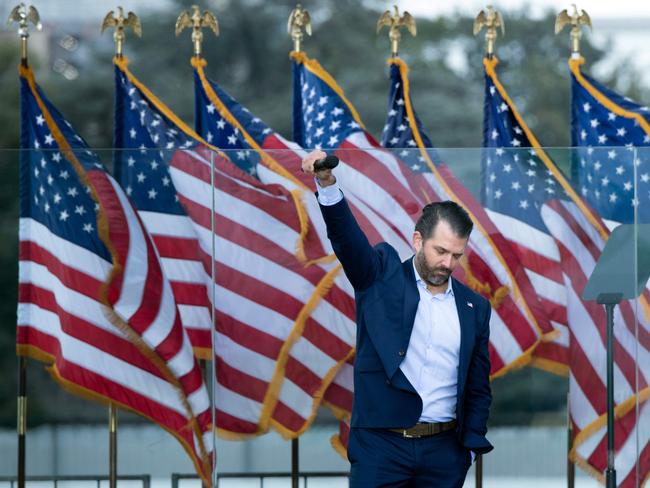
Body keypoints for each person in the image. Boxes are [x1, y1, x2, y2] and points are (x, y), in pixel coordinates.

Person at [301, 150, 493, 487]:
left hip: (444, 453)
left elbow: (478, 386)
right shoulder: (381, 275)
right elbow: (349, 241)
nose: (448, 263)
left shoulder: (474, 307)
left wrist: (468, 449)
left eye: (456, 255)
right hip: (381, 448)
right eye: (440, 251)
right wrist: (327, 183)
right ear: (418, 240)